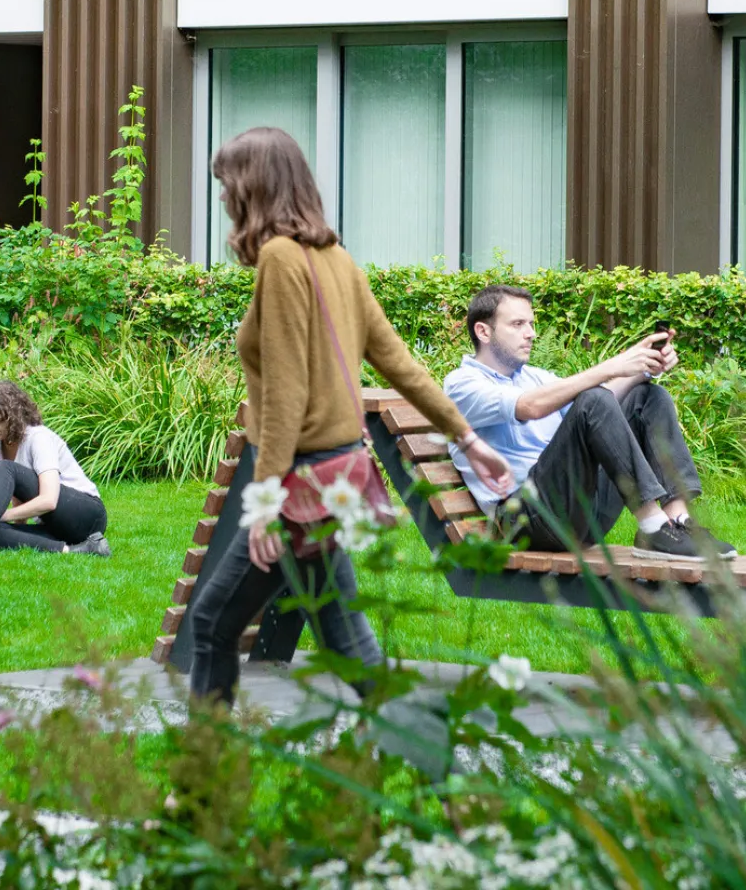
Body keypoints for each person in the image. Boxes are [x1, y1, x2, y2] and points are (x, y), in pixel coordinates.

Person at [187, 126, 514, 706]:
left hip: (298, 482)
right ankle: (428, 761)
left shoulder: (283, 260)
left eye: (227, 185)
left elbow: (287, 394)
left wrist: (264, 508)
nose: (222, 199)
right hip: (331, 479)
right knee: (348, 645)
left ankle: (201, 791)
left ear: (254, 187)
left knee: (212, 623)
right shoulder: (338, 261)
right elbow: (400, 364)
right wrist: (467, 436)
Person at [444, 284, 736, 560]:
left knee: (647, 396)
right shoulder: (462, 385)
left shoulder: (534, 377)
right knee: (592, 399)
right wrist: (610, 367)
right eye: (518, 324)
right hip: (526, 521)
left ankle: (675, 519)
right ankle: (652, 526)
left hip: (578, 511)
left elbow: (601, 407)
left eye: (532, 324)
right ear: (483, 331)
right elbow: (530, 407)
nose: (531, 333)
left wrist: (644, 368)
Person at [0, 381, 112, 561]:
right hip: (57, 526)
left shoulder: (38, 437)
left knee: (1, 481)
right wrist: (10, 524)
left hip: (87, 515)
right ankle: (80, 549)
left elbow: (49, 500)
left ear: (14, 416)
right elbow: (14, 491)